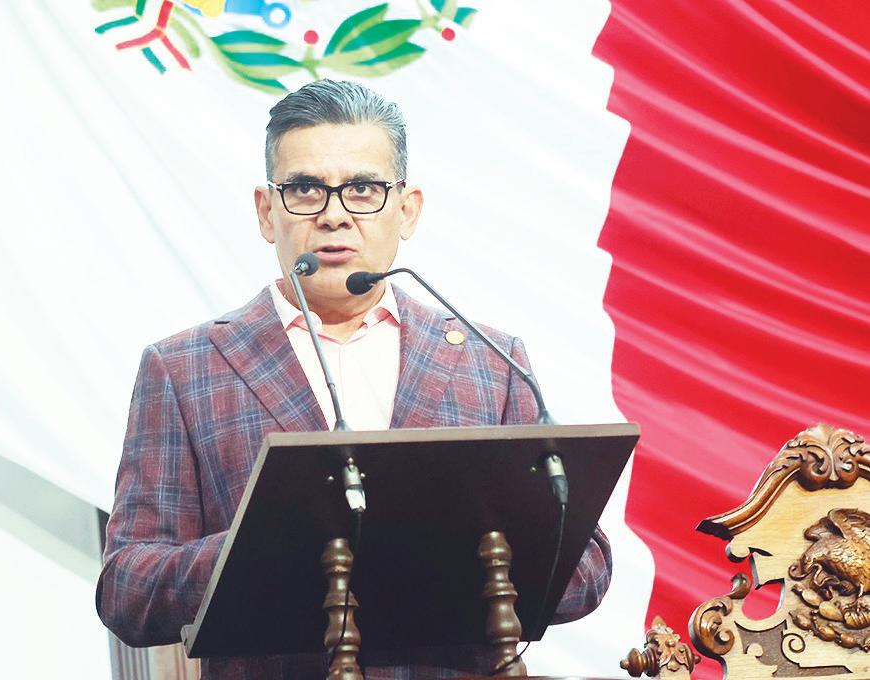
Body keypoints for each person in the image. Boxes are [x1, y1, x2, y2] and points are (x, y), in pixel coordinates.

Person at [97, 79, 612, 679]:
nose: (335, 215)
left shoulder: (491, 360)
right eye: (305, 190)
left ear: (407, 209)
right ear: (266, 212)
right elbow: (127, 589)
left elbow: (584, 569)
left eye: (363, 189)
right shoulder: (186, 368)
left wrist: (456, 546)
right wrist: (261, 549)